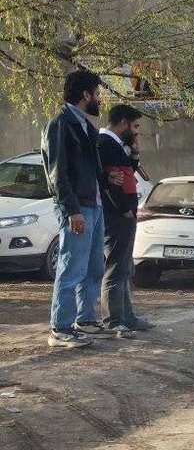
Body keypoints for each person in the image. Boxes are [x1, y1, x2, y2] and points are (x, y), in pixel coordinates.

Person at [41, 70, 119, 348]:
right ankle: (60, 328)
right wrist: (71, 210)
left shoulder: (86, 126)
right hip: (77, 208)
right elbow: (57, 173)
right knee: (72, 267)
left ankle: (85, 321)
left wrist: (105, 180)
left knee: (94, 267)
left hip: (93, 206)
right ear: (85, 94)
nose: (99, 99)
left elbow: (88, 169)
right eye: (97, 94)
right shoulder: (61, 124)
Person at [97, 104, 154, 333]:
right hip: (117, 217)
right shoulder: (105, 144)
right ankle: (113, 320)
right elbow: (113, 184)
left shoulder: (116, 145)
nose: (137, 132)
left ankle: (127, 317)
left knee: (125, 268)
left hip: (125, 215)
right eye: (135, 126)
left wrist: (135, 153)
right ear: (123, 123)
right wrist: (124, 210)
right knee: (115, 268)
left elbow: (127, 172)